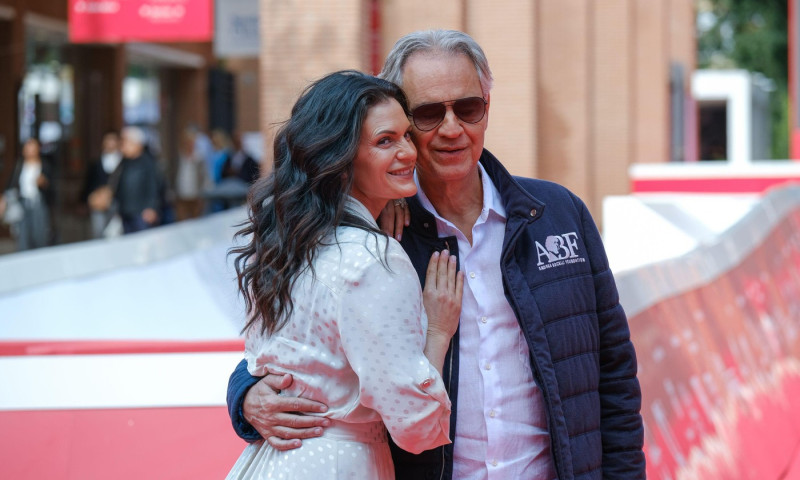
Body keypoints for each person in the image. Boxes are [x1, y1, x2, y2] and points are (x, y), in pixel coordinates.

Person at [227, 30, 645, 479]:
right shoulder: (378, 243)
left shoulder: (560, 215)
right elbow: (305, 348)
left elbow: (614, 372)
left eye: (467, 108)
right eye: (427, 114)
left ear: (487, 106)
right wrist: (246, 395)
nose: (452, 129)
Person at [225, 70, 465, 479]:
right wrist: (439, 330)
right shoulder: (370, 261)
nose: (408, 152)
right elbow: (418, 426)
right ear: (339, 159)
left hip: (271, 462)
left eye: (407, 135)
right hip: (338, 465)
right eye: (384, 141)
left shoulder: (288, 244)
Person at [0, 137, 54, 250]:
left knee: (39, 233)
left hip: (38, 203)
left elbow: (52, 188)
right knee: (23, 235)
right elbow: (11, 184)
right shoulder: (19, 165)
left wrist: (43, 183)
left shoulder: (45, 165)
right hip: (22, 203)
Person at [116, 126, 161, 234]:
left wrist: (151, 207)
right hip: (125, 212)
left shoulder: (148, 163)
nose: (123, 146)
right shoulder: (123, 163)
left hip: (141, 213)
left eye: (126, 142)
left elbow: (153, 187)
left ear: (136, 144)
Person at [82, 130, 123, 238]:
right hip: (99, 203)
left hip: (116, 202)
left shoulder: (123, 163)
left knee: (115, 232)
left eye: (112, 140)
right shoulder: (96, 163)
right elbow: (89, 183)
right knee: (98, 232)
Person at [174, 127, 207, 221]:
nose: (189, 145)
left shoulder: (199, 158)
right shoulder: (179, 156)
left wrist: (202, 194)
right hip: (181, 195)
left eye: (192, 142)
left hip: (195, 196)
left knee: (195, 221)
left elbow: (203, 177)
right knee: (181, 221)